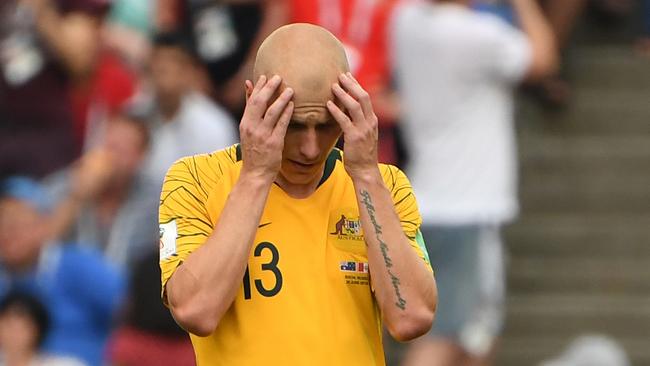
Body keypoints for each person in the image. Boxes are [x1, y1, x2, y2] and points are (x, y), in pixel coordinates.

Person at [159, 23, 437, 365]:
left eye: (325, 126)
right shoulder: (194, 179)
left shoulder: (385, 186)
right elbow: (195, 311)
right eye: (292, 125)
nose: (310, 148)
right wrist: (257, 174)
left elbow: (412, 318)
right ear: (254, 100)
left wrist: (365, 174)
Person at [391, 1, 558, 365]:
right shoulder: (479, 35)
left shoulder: (407, 22)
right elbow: (544, 57)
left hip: (429, 197)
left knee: (473, 335)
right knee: (447, 336)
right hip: (467, 205)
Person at [0, 177, 126, 366]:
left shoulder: (81, 267)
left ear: (43, 225)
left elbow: (130, 308)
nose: (9, 232)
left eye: (18, 223)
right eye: (3, 223)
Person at [45, 113, 159, 269]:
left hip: (132, 287)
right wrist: (77, 196)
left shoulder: (154, 200)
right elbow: (40, 248)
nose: (111, 157)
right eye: (109, 146)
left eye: (123, 150)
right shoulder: (63, 186)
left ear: (141, 157)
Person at [138, 31, 238, 187]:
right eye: (158, 62)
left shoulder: (214, 126)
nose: (164, 70)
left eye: (173, 62)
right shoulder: (133, 114)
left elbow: (223, 186)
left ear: (189, 70)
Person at [0, 291, 85, 366]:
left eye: (21, 329)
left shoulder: (64, 364)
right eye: (8, 326)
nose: (13, 335)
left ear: (38, 332)